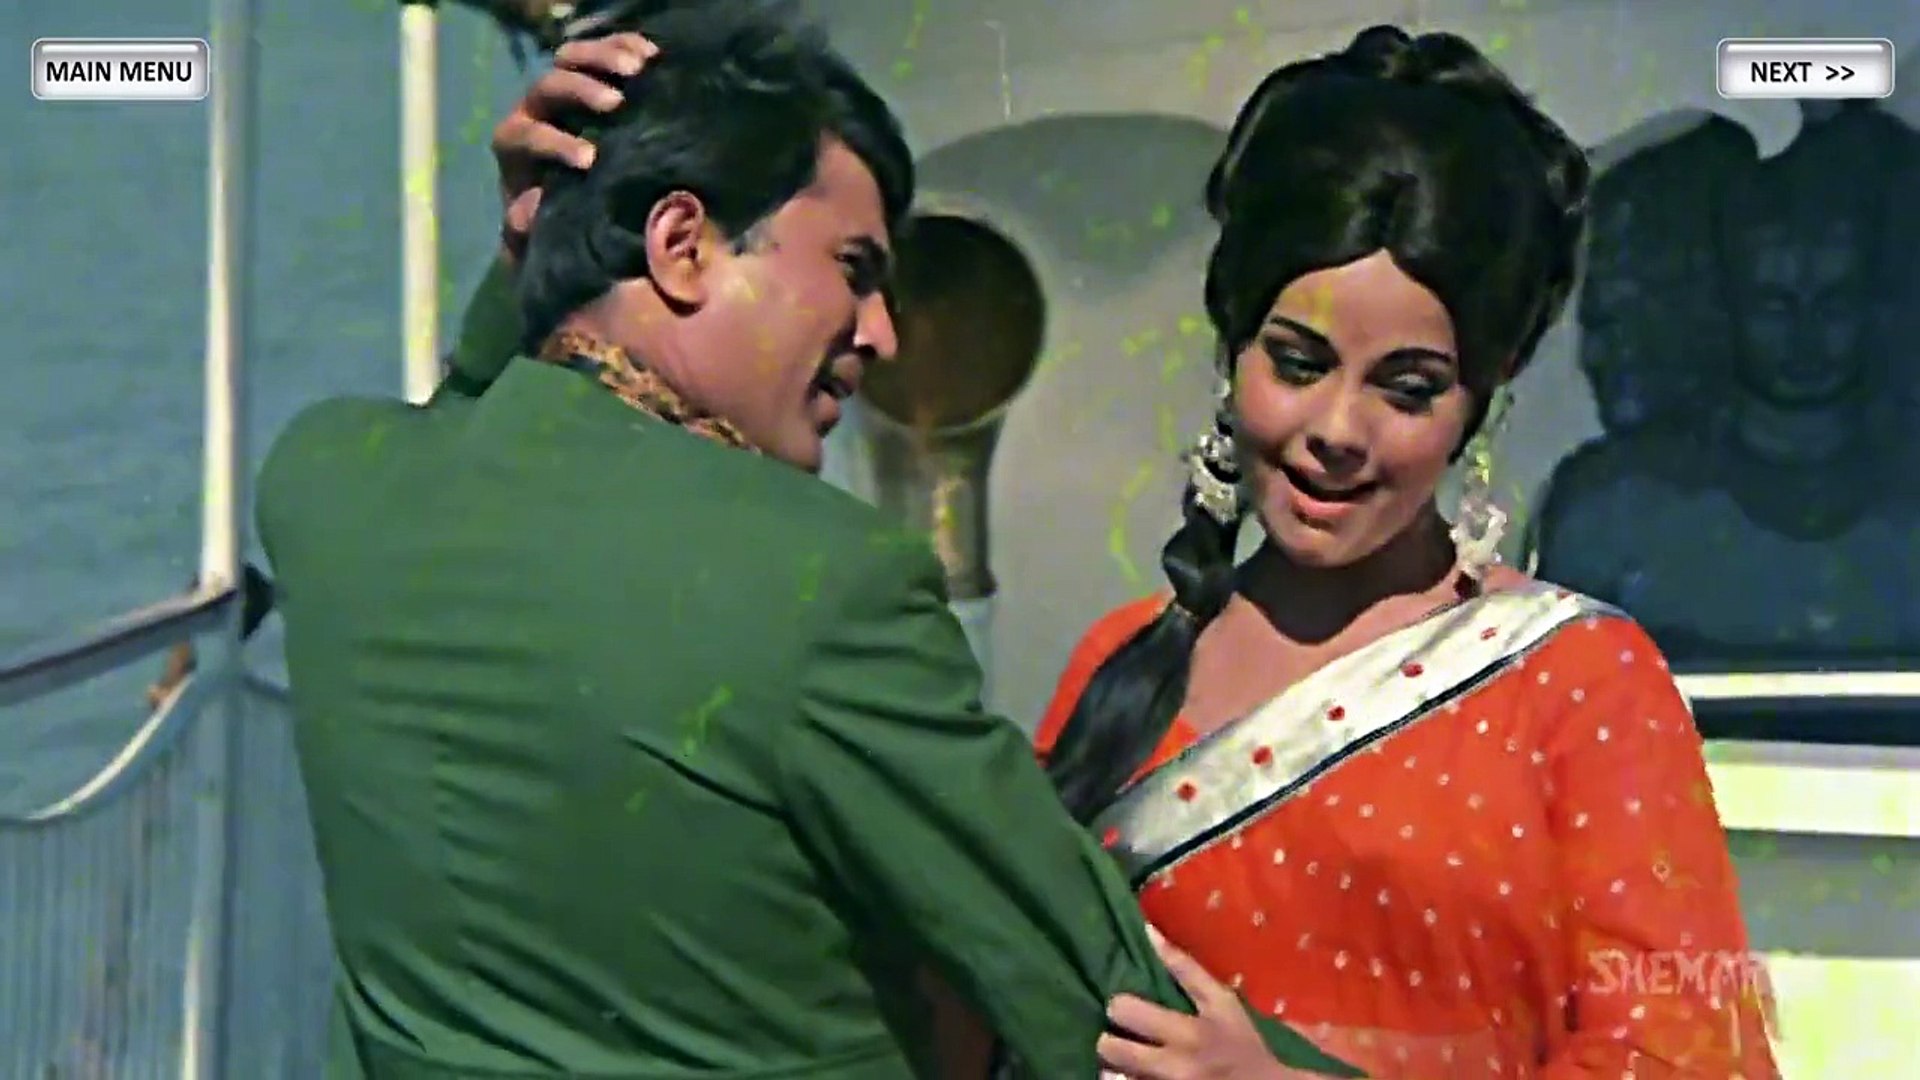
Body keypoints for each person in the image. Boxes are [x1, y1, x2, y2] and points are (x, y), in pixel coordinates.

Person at [255, 4, 1350, 1077]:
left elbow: (478, 414)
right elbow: (1090, 993)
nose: (882, 334)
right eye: (856, 269)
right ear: (682, 245)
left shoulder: (328, 490)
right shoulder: (823, 584)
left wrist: (532, 261)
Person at [1021, 26, 1780, 1078]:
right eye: (1299, 363)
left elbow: (1686, 1059)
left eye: (1408, 388)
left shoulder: (1577, 686)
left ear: (1479, 402)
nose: (1338, 430)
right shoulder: (1121, 668)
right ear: (1232, 346)